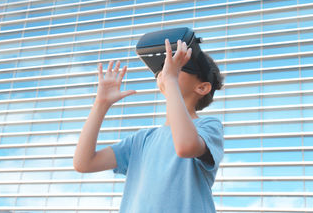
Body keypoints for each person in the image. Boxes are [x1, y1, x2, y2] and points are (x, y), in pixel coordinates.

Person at [74, 38, 224, 213]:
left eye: (178, 66)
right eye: (164, 67)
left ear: (202, 87)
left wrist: (170, 80)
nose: (165, 70)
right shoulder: (142, 139)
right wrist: (100, 104)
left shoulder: (208, 126)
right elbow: (84, 163)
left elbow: (185, 146)